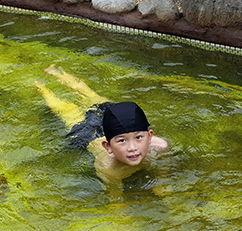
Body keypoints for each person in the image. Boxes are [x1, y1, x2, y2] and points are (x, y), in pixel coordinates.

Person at [35, 65, 169, 186]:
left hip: (113, 118)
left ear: (150, 136)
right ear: (108, 147)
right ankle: (41, 86)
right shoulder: (108, 168)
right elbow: (116, 201)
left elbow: (163, 170)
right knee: (62, 108)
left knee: (88, 93)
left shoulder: (160, 147)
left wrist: (161, 185)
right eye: (122, 141)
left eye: (139, 137)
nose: (132, 148)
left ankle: (56, 71)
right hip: (88, 132)